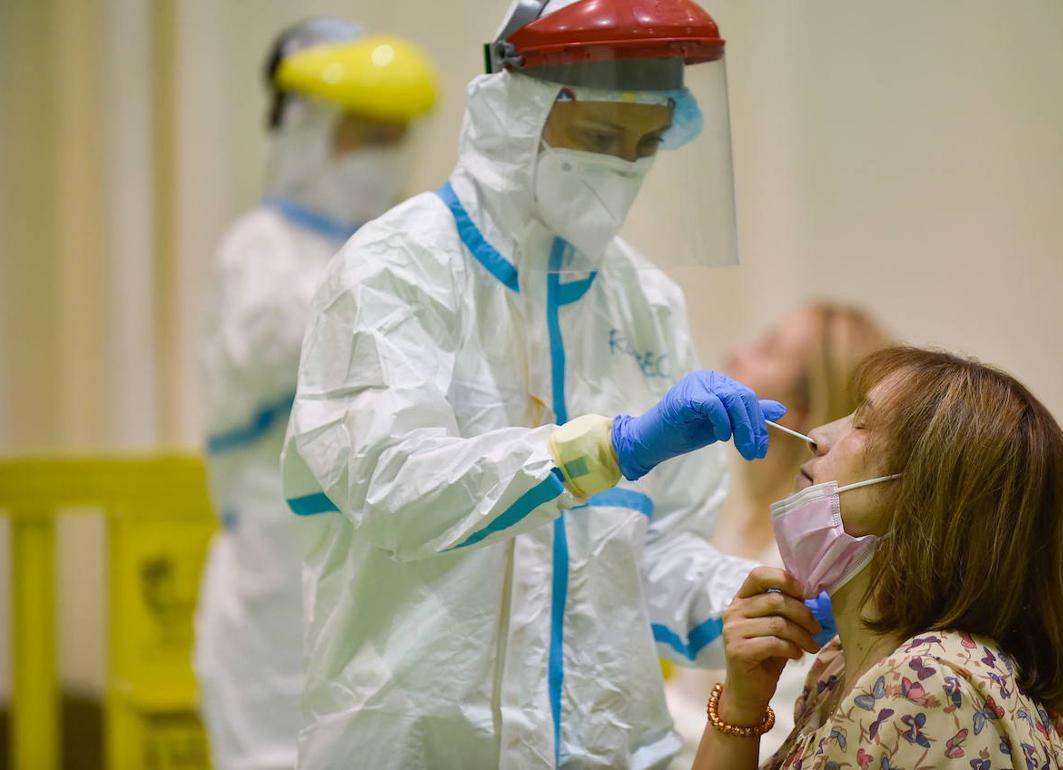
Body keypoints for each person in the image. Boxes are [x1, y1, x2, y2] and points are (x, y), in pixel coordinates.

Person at [280, 1, 776, 767]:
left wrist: (765, 599)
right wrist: (604, 449)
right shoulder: (395, 268)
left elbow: (655, 551)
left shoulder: (645, 305)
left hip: (603, 748)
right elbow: (394, 486)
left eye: (645, 146)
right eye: (601, 140)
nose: (623, 170)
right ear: (518, 114)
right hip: (418, 747)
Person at [193, 17, 438, 770]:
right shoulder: (258, 248)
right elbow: (287, 348)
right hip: (275, 560)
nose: (379, 158)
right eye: (363, 134)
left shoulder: (399, 245)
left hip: (379, 565)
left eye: (394, 137)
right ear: (305, 130)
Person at [692, 347, 1063, 769]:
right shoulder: (836, 668)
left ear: (928, 497)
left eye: (860, 424)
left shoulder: (928, 686)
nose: (818, 437)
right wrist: (740, 706)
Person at [666, 302, 891, 766]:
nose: (735, 356)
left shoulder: (817, 561)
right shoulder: (734, 522)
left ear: (804, 410)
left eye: (766, 349)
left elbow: (788, 743)